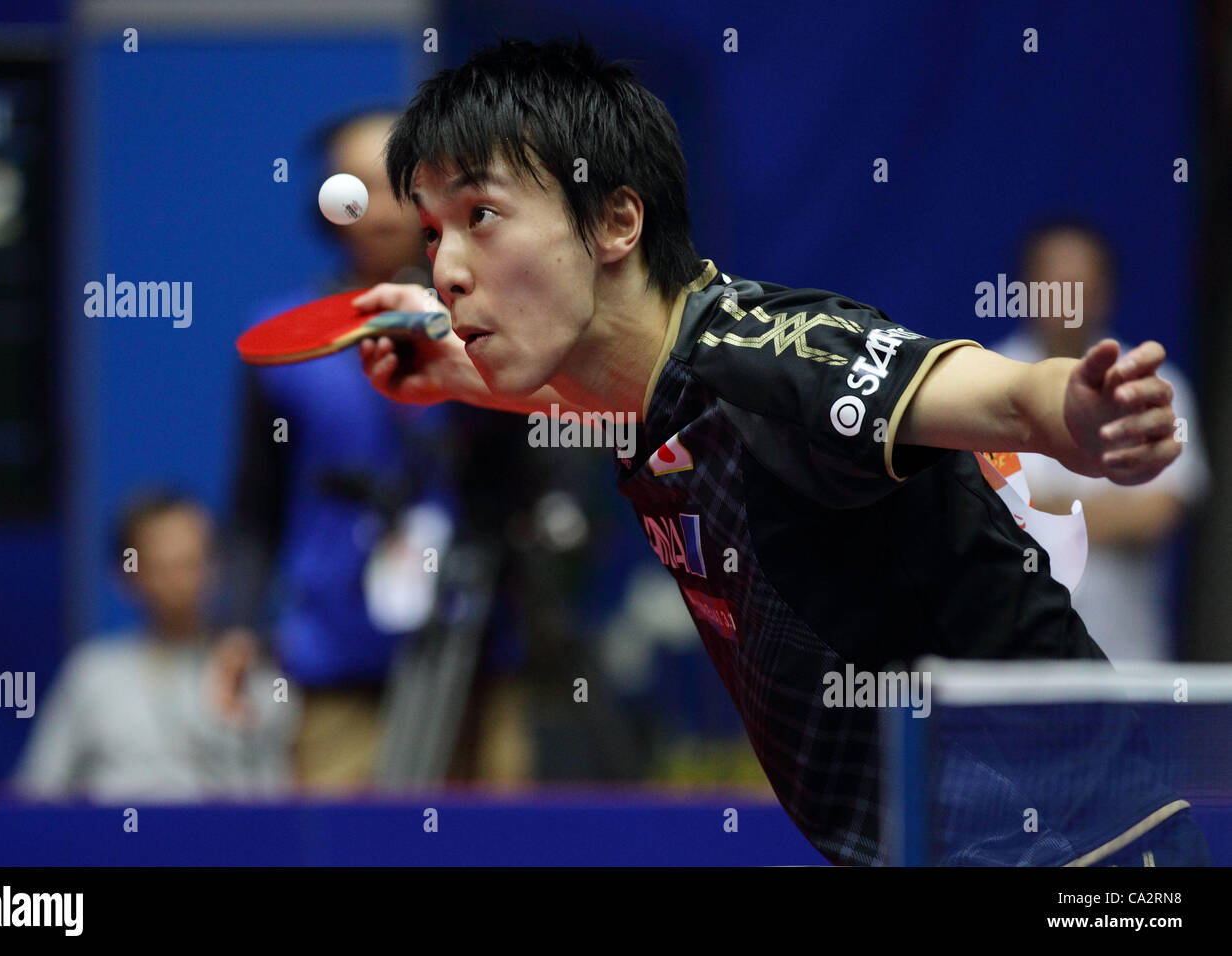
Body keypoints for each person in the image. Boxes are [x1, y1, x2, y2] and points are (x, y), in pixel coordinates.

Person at [351, 38, 1207, 865]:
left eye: (482, 215)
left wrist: (1070, 415)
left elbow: (991, 393)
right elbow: (606, 399)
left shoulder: (774, 358)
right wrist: (461, 376)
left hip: (1084, 851)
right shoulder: (652, 382)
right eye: (432, 233)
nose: (448, 269)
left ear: (616, 219)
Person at [227, 110, 531, 790]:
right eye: (355, 186)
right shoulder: (279, 342)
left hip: (475, 648)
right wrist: (239, 625)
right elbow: (256, 502)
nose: (381, 207)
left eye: (404, 185)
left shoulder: (501, 322)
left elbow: (544, 467)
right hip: (335, 657)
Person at [991, 221, 1210, 660]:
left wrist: (1037, 508)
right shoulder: (983, 380)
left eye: (1082, 286)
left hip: (1126, 663)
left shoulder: (1156, 385)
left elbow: (1156, 515)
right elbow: (983, 518)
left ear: (1106, 290)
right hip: (1009, 669)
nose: (1069, 302)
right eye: (1055, 286)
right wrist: (1102, 509)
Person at [14, 491, 298, 802]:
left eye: (192, 562)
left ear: (216, 566)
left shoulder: (259, 675)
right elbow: (36, 796)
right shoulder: (92, 675)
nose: (180, 581)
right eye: (163, 565)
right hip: (116, 846)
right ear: (128, 574)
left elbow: (283, 804)